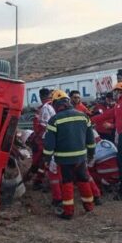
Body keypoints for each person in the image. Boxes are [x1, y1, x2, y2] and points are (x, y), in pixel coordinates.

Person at [43, 90, 95, 220]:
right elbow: (91, 139)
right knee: (83, 180)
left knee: (67, 183)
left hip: (64, 159)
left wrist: (47, 159)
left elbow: (49, 145)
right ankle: (89, 206)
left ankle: (68, 212)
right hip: (81, 158)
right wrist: (91, 154)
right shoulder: (83, 116)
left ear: (55, 104)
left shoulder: (54, 120)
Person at [30, 88, 56, 190]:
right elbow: (44, 125)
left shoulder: (42, 108)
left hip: (43, 139)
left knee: (42, 161)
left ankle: (38, 180)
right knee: (47, 161)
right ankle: (40, 180)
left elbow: (39, 126)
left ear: (40, 97)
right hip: (49, 139)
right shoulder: (49, 107)